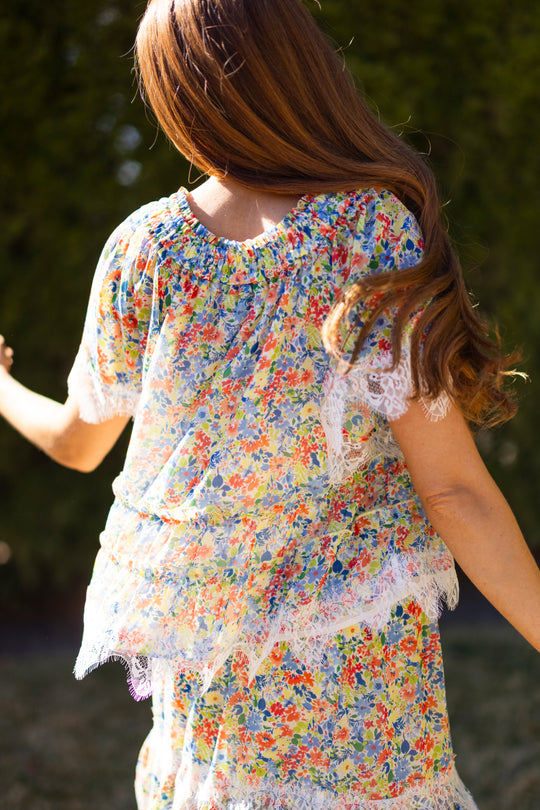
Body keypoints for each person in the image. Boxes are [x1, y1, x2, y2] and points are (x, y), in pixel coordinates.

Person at [1, 0, 539, 807]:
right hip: (359, 700)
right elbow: (454, 490)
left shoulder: (143, 253)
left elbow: (79, 442)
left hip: (216, 697)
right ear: (300, 68)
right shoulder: (369, 234)